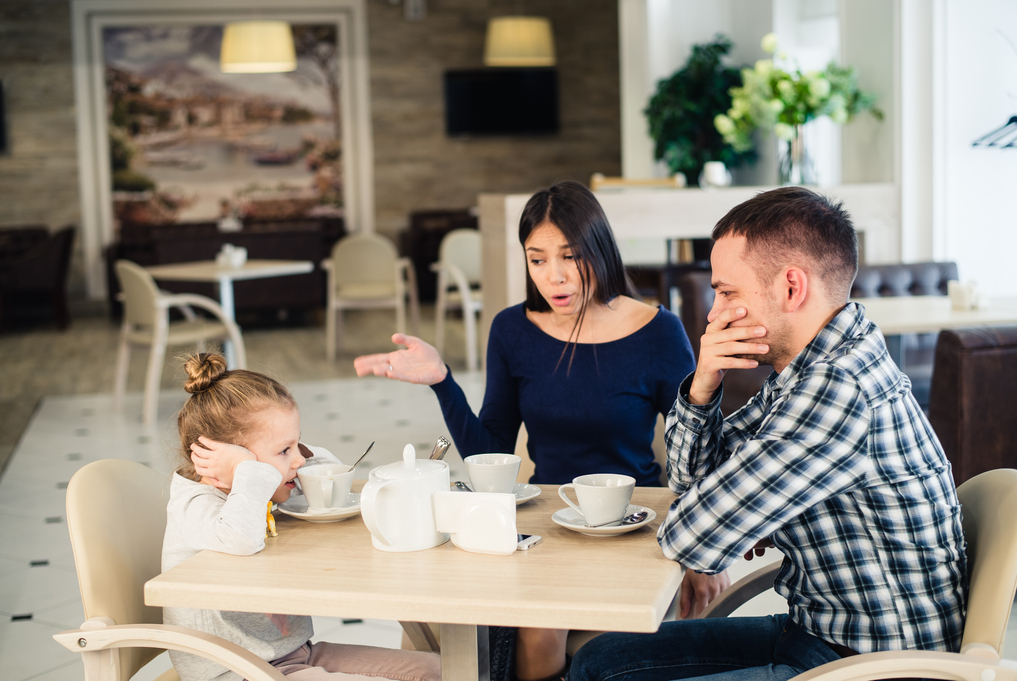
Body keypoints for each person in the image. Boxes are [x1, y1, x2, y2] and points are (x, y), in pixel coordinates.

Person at [569, 186, 968, 681]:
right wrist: (703, 386)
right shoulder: (809, 370)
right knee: (598, 661)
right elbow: (693, 482)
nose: (715, 315)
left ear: (791, 288)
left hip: (875, 667)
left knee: (604, 675)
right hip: (821, 634)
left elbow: (691, 536)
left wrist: (739, 514)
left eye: (727, 292)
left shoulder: (839, 388)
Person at [354, 180, 729, 679]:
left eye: (570, 257)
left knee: (539, 624)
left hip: (632, 527)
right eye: (537, 259)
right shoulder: (513, 331)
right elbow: (492, 453)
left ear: (600, 250)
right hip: (546, 528)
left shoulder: (658, 331)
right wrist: (443, 382)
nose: (555, 277)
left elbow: (698, 447)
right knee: (435, 613)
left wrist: (709, 547)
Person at [164, 352, 441, 681]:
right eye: (284, 450)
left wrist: (282, 456)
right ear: (227, 461)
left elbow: (327, 475)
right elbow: (240, 537)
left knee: (439, 671)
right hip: (235, 671)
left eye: (297, 445)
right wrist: (249, 472)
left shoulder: (259, 490)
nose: (298, 460)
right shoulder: (196, 504)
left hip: (291, 655)